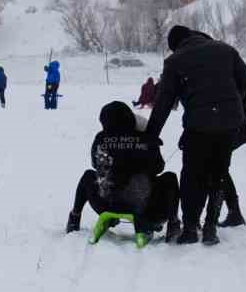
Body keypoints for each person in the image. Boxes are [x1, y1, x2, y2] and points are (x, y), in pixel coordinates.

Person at [145, 25, 246, 246]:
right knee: (219, 171)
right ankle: (211, 227)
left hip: (199, 125)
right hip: (230, 123)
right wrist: (228, 101)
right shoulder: (225, 49)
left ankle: (191, 228)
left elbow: (163, 103)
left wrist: (150, 136)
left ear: (175, 46)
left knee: (192, 175)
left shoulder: (175, 61)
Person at [66, 101, 180, 241]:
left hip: (106, 204)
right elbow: (158, 167)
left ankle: (74, 217)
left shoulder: (101, 138)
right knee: (170, 178)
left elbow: (96, 165)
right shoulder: (146, 138)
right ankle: (174, 223)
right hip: (144, 207)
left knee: (88, 175)